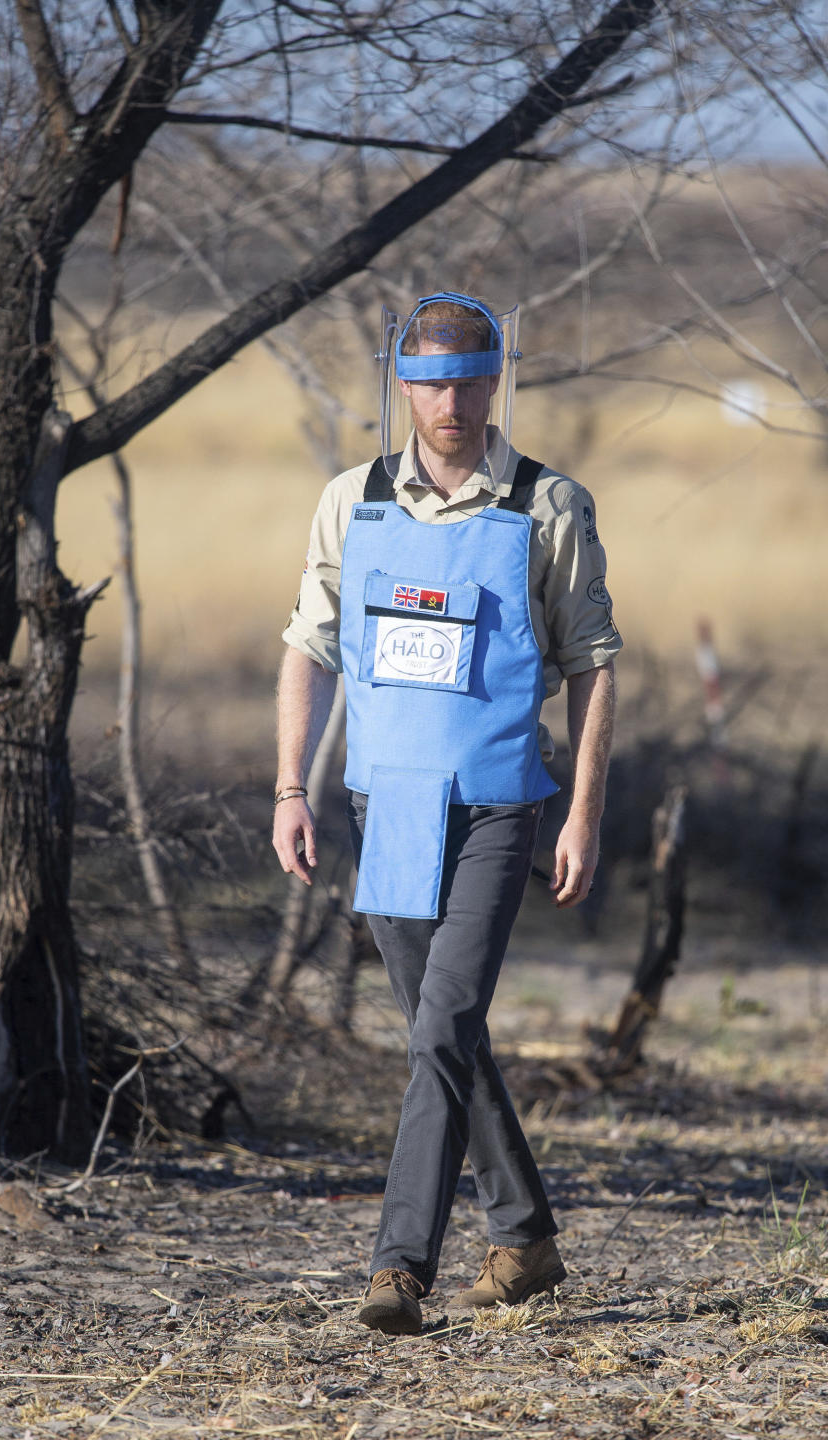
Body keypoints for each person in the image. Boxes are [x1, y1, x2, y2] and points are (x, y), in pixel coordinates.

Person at [272, 291, 620, 1335]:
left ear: (496, 379)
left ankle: (399, 1269)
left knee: (445, 1025)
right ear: (403, 386)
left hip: (503, 807)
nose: (453, 403)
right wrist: (292, 785)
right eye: (432, 384)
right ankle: (526, 1239)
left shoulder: (548, 506)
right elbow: (309, 644)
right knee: (442, 1034)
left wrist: (586, 814)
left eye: (472, 381)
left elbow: (596, 668)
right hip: (389, 808)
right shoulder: (352, 500)